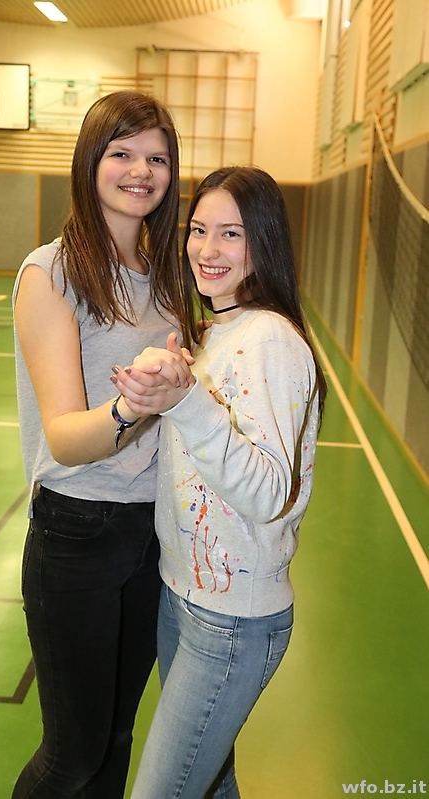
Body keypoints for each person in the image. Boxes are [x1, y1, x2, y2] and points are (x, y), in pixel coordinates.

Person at [110, 165, 327, 798]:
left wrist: (186, 402)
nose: (208, 249)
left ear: (264, 240)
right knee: (208, 784)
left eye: (231, 233)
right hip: (183, 597)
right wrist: (167, 388)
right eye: (199, 229)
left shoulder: (272, 339)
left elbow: (267, 494)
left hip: (231, 621)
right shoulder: (222, 332)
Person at [11, 90, 193, 799]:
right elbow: (63, 438)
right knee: (73, 755)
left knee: (117, 737)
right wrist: (131, 406)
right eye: (122, 153)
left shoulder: (166, 274)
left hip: (154, 529)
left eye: (157, 158)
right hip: (78, 529)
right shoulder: (50, 273)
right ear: (90, 161)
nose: (141, 171)